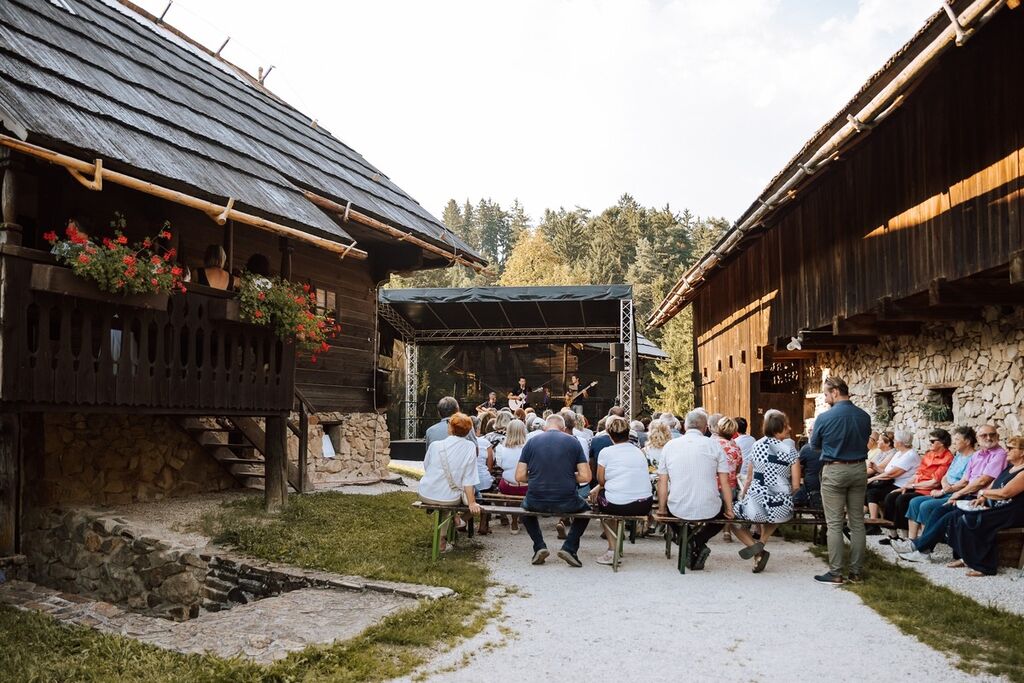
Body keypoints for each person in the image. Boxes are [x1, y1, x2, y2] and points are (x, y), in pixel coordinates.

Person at [896, 424, 1007, 562]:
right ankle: (921, 550)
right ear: (978, 438)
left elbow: (982, 481)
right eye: (984, 435)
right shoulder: (978, 455)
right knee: (938, 511)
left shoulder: (999, 454)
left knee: (944, 515)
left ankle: (919, 548)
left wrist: (957, 493)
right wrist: (951, 491)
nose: (989, 438)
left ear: (998, 436)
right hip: (967, 494)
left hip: (980, 498)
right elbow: (966, 478)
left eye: (992, 434)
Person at [811, 376, 871, 585]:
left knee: (835, 523)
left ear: (835, 392)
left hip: (835, 469)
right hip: (859, 469)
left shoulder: (825, 418)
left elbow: (814, 444)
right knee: (857, 523)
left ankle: (836, 571)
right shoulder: (864, 416)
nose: (826, 398)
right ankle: (856, 572)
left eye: (827, 394)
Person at [656, 410, 734, 571]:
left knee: (667, 513)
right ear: (705, 428)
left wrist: (662, 508)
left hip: (677, 507)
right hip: (709, 506)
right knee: (723, 515)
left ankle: (690, 542)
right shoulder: (715, 446)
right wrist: (730, 508)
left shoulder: (670, 446)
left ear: (684, 425)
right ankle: (698, 540)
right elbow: (725, 482)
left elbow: (662, 482)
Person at [515, 414, 592, 566]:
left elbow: (519, 476)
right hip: (566, 500)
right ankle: (569, 548)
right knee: (586, 511)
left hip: (536, 500)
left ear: (545, 427)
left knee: (524, 510)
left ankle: (539, 546)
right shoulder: (573, 442)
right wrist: (566, 477)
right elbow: (586, 476)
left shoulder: (531, 442)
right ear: (563, 429)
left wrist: (540, 477)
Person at [730, 411, 800, 573]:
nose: (789, 428)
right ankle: (762, 543)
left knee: (731, 518)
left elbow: (748, 478)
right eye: (786, 426)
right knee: (776, 511)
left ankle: (757, 548)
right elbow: (796, 485)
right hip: (782, 507)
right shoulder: (791, 451)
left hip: (757, 502)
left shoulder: (756, 446)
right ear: (777, 431)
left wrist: (745, 495)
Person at [946, 436, 1024, 576]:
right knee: (955, 515)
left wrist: (982, 492)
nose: (1006, 450)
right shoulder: (1010, 468)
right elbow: (994, 486)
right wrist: (982, 498)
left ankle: (984, 566)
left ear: (1022, 452)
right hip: (998, 507)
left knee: (972, 519)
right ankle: (965, 557)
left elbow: (1005, 493)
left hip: (1012, 512)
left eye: (1011, 448)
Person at [586, 416, 654, 566]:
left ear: (609, 434)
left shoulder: (606, 452)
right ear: (628, 432)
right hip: (644, 504)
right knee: (609, 495)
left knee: (601, 504)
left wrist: (598, 487)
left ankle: (612, 550)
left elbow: (601, 481)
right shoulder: (639, 452)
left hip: (616, 505)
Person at [418, 413, 481, 552]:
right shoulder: (470, 447)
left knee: (446, 500)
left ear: (450, 428)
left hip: (426, 492)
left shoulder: (435, 445)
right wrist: (471, 502)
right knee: (459, 499)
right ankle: (457, 522)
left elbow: (427, 466)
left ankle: (442, 539)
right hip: (449, 497)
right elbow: (468, 479)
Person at [878, 428, 952, 544]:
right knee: (890, 497)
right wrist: (906, 486)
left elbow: (934, 482)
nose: (929, 443)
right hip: (917, 486)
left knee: (901, 500)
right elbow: (917, 473)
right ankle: (894, 535)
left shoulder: (947, 458)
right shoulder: (929, 454)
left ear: (942, 443)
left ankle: (906, 537)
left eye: (932, 441)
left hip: (928, 490)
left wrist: (912, 485)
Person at [905, 426, 976, 542]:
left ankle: (923, 543)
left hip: (956, 494)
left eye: (957, 439)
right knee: (914, 502)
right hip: (946, 490)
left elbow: (965, 482)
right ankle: (911, 540)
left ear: (967, 441)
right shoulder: (958, 456)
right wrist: (945, 485)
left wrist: (944, 490)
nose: (954, 442)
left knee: (926, 506)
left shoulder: (973, 457)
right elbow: (945, 476)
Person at [865, 430, 920, 527]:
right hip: (893, 482)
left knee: (879, 494)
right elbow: (887, 471)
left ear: (901, 442)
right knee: (869, 490)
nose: (893, 441)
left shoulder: (910, 455)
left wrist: (872, 479)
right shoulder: (899, 453)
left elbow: (891, 474)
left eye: (895, 440)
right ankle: (870, 521)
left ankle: (877, 524)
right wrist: (876, 468)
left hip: (903, 485)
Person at [713, 417, 743, 542]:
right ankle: (727, 532)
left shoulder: (712, 444)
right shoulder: (735, 447)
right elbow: (738, 467)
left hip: (713, 483)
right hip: (730, 484)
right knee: (728, 504)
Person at [793, 418, 823, 509]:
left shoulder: (806, 449)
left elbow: (798, 467)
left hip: (811, 488)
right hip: (826, 486)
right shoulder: (830, 448)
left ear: (811, 432)